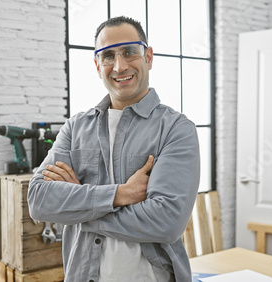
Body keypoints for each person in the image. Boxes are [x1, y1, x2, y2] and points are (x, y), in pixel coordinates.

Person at [28, 16, 200, 282]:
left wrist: (76, 210)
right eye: (108, 56)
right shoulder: (75, 128)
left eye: (129, 52)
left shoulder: (176, 129)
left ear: (148, 57)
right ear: (98, 65)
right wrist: (121, 194)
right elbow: (39, 201)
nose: (120, 66)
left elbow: (167, 222)